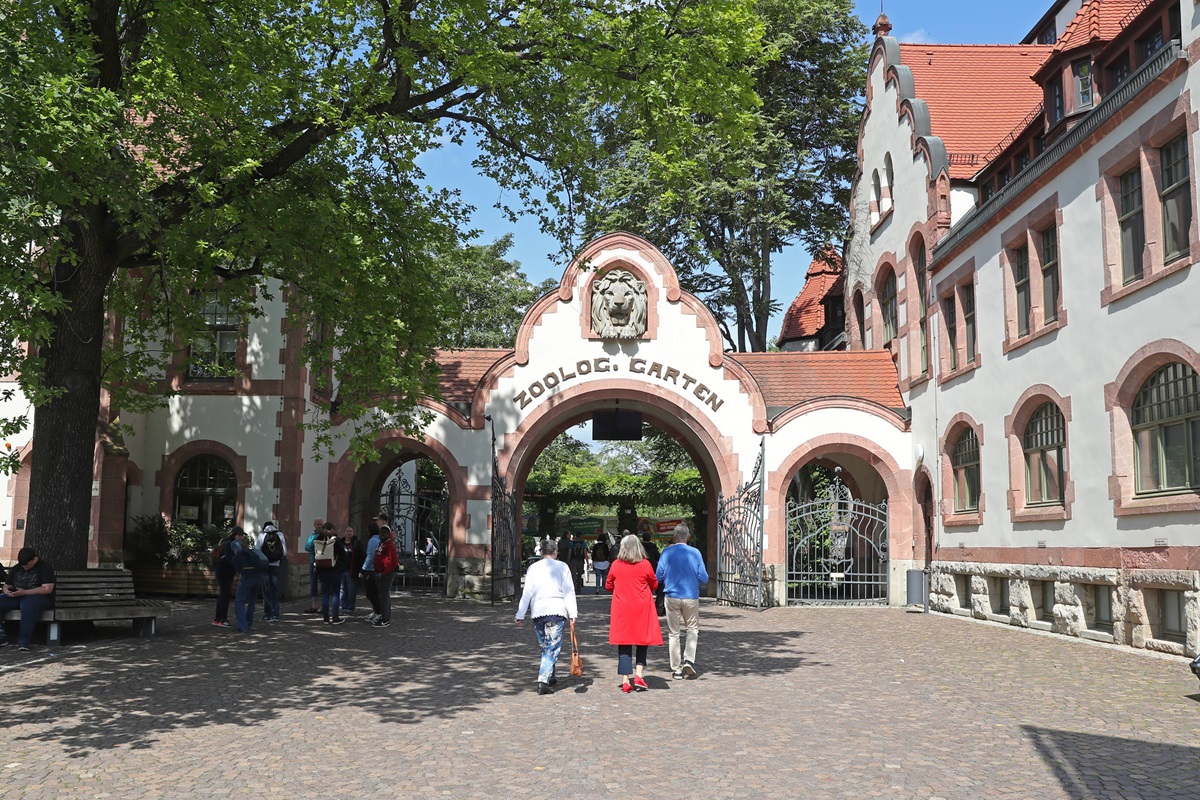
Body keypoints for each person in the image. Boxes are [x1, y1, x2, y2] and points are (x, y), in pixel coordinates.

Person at [515, 538, 578, 695]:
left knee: (546, 646)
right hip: (556, 611)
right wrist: (573, 612)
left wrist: (520, 613)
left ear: (542, 552)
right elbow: (568, 591)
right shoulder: (562, 567)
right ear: (555, 552)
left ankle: (551, 676)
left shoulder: (533, 568)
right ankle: (543, 680)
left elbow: (527, 593)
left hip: (538, 612)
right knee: (552, 647)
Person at [605, 534, 662, 693]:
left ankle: (625, 680)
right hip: (642, 606)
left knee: (624, 642)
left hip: (622, 607)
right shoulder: (645, 564)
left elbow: (608, 585)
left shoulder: (616, 565)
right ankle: (638, 674)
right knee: (641, 641)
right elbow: (654, 583)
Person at [655, 522, 709, 680]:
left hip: (672, 595)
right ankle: (689, 660)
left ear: (674, 536)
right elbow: (704, 578)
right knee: (692, 629)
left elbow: (658, 576)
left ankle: (677, 668)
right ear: (688, 537)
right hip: (690, 595)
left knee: (674, 633)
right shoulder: (695, 553)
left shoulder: (666, 552)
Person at [0, 547, 56, 651]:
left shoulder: (45, 568)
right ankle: (1, 636)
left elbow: (47, 589)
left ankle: (24, 642)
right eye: (22, 565)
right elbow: (6, 585)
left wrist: (25, 592)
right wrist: (7, 591)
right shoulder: (17, 568)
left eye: (27, 564)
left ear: (34, 559)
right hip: (18, 596)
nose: (25, 567)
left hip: (39, 598)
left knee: (28, 605)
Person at [230, 527, 263, 633]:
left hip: (247, 578)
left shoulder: (236, 557)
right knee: (252, 601)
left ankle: (242, 626)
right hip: (258, 578)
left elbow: (238, 570)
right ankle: (248, 622)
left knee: (239, 601)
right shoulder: (250, 552)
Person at [313, 522, 347, 624]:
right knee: (335, 594)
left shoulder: (318, 539)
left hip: (321, 569)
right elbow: (343, 554)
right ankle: (335, 617)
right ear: (331, 529)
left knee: (325, 594)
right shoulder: (336, 540)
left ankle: (325, 618)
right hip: (334, 570)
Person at [256, 521, 287, 622]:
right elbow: (284, 551)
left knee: (266, 590)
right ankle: (275, 614)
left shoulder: (262, 535)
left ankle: (267, 614)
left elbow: (257, 550)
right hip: (276, 565)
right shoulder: (279, 534)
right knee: (275, 589)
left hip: (265, 565)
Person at [372, 524, 399, 628]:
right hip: (379, 572)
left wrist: (384, 573)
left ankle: (385, 619)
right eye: (381, 533)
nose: (382, 535)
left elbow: (393, 562)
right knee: (382, 596)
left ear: (389, 534)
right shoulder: (380, 544)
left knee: (384, 597)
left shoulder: (390, 545)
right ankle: (383, 615)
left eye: (385, 533)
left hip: (386, 574)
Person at [212, 529, 238, 628]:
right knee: (225, 595)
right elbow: (230, 558)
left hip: (225, 571)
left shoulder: (230, 544)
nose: (242, 538)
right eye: (240, 535)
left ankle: (218, 619)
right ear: (234, 536)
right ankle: (223, 619)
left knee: (223, 594)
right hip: (224, 572)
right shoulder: (229, 544)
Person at [361, 521, 382, 622]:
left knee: (370, 593)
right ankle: (377, 611)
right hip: (377, 570)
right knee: (375, 593)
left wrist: (363, 569)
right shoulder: (379, 539)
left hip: (371, 570)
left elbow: (370, 556)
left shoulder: (373, 541)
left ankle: (379, 612)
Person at [341, 525, 364, 616]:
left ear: (353, 533)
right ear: (344, 532)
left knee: (351, 591)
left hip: (352, 570)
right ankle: (344, 607)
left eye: (350, 531)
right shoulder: (341, 542)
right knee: (342, 591)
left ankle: (350, 608)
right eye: (347, 531)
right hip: (342, 570)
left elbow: (361, 556)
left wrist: (360, 570)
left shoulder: (356, 543)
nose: (349, 532)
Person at [641, 527, 664, 616]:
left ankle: (644, 608)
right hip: (652, 570)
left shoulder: (639, 547)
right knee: (658, 589)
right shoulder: (653, 547)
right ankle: (659, 608)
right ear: (650, 538)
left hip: (641, 570)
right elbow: (659, 558)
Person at [303, 517, 324, 614]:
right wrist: (315, 545)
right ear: (314, 525)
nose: (319, 526)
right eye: (317, 524)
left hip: (324, 562)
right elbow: (307, 547)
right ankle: (314, 605)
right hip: (313, 561)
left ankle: (324, 605)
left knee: (324, 584)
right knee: (313, 584)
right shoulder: (312, 536)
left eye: (320, 524)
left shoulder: (325, 535)